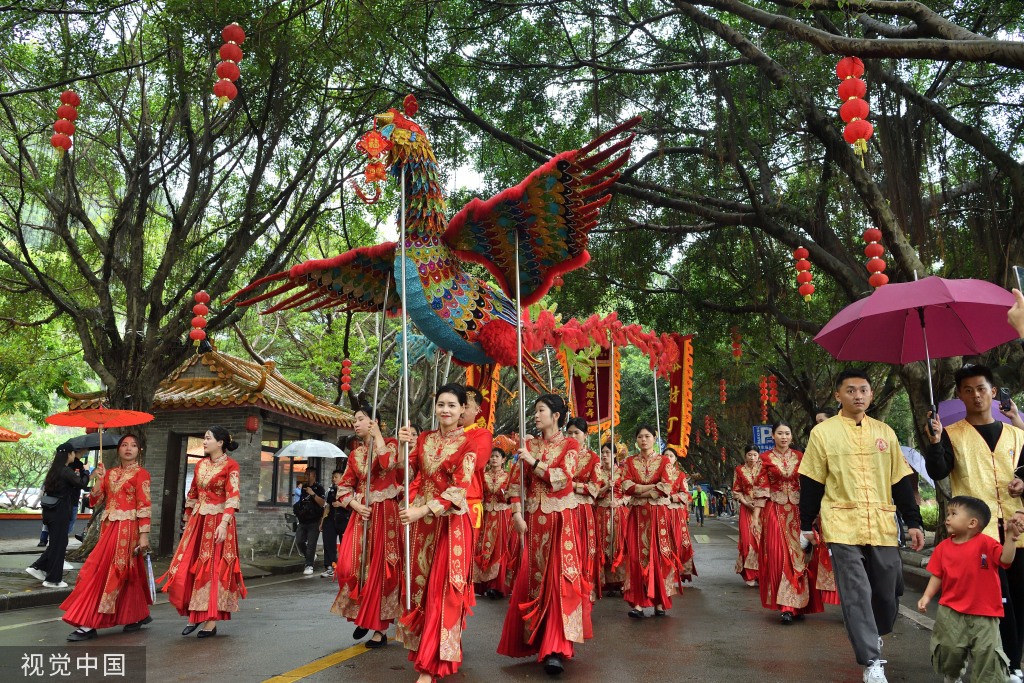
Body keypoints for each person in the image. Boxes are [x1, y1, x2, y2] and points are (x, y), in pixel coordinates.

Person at [799, 369, 925, 683]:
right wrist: (805, 524)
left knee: (887, 589)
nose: (858, 395)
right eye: (851, 390)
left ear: (870, 394)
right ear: (838, 396)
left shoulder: (885, 432)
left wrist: (914, 522)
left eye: (864, 390)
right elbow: (812, 481)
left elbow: (900, 481)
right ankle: (871, 660)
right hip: (841, 523)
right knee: (856, 591)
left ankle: (873, 633)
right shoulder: (824, 433)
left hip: (881, 522)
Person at [925, 364, 1024, 682]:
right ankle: (996, 662)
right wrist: (935, 441)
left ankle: (1013, 663)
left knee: (1018, 600)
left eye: (981, 388)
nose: (976, 395)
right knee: (990, 602)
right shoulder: (952, 435)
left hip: (1015, 530)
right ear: (959, 395)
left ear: (993, 392)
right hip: (976, 536)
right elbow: (939, 472)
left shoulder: (1017, 435)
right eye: (968, 390)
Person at [498, 394, 589, 676]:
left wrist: (534, 462)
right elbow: (515, 483)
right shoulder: (528, 444)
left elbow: (563, 477)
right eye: (535, 410)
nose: (536, 416)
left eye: (541, 410)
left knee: (559, 579)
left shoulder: (570, 445)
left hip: (561, 519)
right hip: (534, 521)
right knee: (535, 579)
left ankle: (557, 648)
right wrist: (515, 514)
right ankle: (538, 641)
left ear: (556, 416)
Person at [396, 384, 478, 683]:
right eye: (441, 404)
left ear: (461, 411)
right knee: (421, 588)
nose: (445, 410)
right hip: (422, 524)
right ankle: (433, 648)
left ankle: (430, 667)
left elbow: (459, 488)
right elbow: (408, 474)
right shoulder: (424, 438)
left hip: (451, 525)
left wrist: (422, 509)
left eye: (452, 405)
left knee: (443, 592)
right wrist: (403, 447)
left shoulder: (468, 445)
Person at [60, 434, 153, 640]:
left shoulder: (142, 474)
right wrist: (98, 479)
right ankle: (136, 614)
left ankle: (88, 622)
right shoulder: (109, 473)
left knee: (99, 570)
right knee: (126, 572)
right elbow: (94, 501)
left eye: (134, 445)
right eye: (124, 445)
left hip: (128, 529)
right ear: (118, 450)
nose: (129, 448)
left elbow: (144, 506)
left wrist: (144, 536)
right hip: (108, 528)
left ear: (140, 450)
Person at [918, 496, 1020, 683]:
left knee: (987, 654)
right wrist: (926, 596)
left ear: (972, 522)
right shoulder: (943, 547)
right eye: (948, 513)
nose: (947, 518)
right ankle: (953, 676)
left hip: (985, 613)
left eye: (953, 514)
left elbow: (1005, 560)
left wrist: (1012, 539)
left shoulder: (987, 543)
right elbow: (937, 575)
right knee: (950, 650)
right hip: (950, 611)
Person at [159, 426, 247, 638]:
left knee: (213, 568)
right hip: (198, 522)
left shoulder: (231, 466)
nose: (204, 442)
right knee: (189, 565)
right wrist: (187, 518)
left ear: (221, 442)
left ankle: (209, 621)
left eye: (208, 438)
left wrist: (224, 524)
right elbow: (193, 493)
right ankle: (194, 614)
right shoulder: (200, 464)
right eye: (204, 438)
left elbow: (233, 497)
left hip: (218, 522)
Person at [331, 404, 402, 648]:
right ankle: (363, 612)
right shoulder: (356, 454)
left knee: (380, 570)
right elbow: (344, 486)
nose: (355, 423)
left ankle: (378, 629)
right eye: (355, 420)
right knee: (349, 566)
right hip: (363, 514)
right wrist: (354, 504)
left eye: (361, 419)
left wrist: (378, 436)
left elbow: (387, 465)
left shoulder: (392, 445)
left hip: (386, 515)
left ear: (375, 422)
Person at [757, 421, 824, 623]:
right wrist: (755, 517)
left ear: (791, 437)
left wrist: (815, 511)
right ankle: (786, 606)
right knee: (780, 556)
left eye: (787, 433)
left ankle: (799, 603)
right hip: (774, 510)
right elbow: (761, 488)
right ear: (773, 436)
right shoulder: (764, 458)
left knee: (800, 555)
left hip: (797, 511)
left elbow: (809, 485)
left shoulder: (801, 457)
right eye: (780, 433)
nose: (784, 437)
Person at [620, 424, 679, 618]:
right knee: (636, 557)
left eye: (647, 436)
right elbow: (626, 486)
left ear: (655, 438)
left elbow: (666, 486)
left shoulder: (664, 461)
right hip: (637, 516)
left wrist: (642, 488)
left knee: (660, 555)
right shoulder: (629, 462)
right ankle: (637, 603)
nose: (643, 440)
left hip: (658, 515)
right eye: (639, 437)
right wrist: (651, 488)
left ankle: (660, 603)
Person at [27, 443, 90, 588]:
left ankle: (37, 567)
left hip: (50, 511)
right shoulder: (66, 471)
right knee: (59, 545)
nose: (74, 455)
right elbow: (81, 484)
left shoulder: (54, 470)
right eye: (73, 453)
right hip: (60, 511)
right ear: (68, 454)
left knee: (56, 544)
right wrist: (86, 472)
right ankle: (53, 579)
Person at [566, 417, 601, 602]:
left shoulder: (593, 458)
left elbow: (595, 487)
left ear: (585, 436)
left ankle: (585, 591)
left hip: (583, 510)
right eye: (569, 433)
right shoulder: (561, 453)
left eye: (576, 433)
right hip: (563, 508)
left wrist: (572, 485)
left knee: (584, 550)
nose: (572, 436)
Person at [474, 447, 513, 598]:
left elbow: (513, 494)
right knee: (483, 546)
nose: (494, 459)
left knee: (500, 547)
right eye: (492, 457)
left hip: (503, 515)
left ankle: (497, 585)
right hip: (486, 515)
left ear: (503, 460)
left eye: (497, 456)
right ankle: (482, 584)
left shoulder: (508, 476)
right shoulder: (483, 476)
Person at [732, 444, 764, 587]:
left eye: (755, 455)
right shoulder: (739, 470)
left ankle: (762, 574)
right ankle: (750, 574)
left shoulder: (764, 469)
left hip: (762, 508)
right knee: (748, 541)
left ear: (759, 455)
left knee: (761, 542)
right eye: (749, 455)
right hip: (746, 509)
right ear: (745, 455)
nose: (752, 457)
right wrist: (745, 503)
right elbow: (736, 490)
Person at [666, 448, 697, 585]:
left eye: (671, 456)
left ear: (675, 459)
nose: (668, 458)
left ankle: (678, 571)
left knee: (678, 542)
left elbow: (686, 495)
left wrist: (672, 497)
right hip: (660, 512)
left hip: (676, 513)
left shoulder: (680, 475)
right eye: (665, 455)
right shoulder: (656, 475)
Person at [294, 467, 326, 575]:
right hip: (303, 519)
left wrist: (312, 493)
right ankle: (310, 556)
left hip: (314, 520)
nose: (306, 476)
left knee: (312, 544)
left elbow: (322, 503)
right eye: (305, 474)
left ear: (313, 475)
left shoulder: (319, 488)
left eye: (308, 474)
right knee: (299, 541)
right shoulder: (303, 486)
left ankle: (309, 565)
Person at [320, 468, 351, 579]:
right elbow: (327, 506)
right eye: (333, 477)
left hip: (344, 519)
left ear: (342, 477)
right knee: (328, 543)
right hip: (331, 519)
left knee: (346, 545)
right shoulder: (331, 490)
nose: (334, 479)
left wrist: (341, 504)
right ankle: (330, 567)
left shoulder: (348, 490)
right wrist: (323, 520)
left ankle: (345, 567)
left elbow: (353, 505)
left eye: (336, 477)